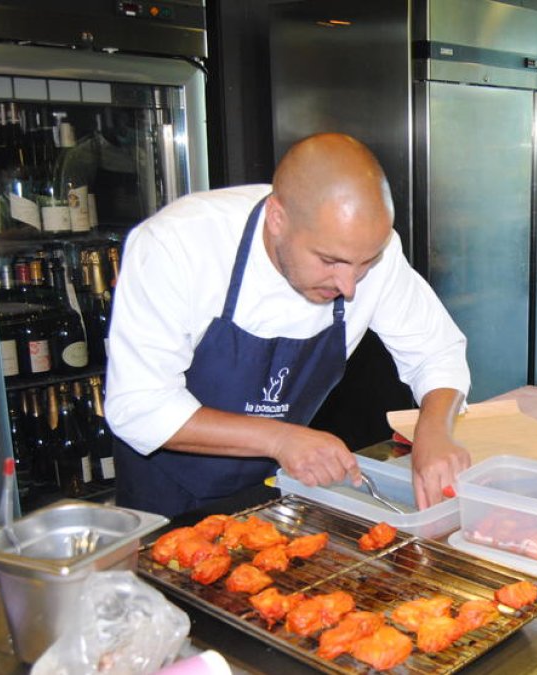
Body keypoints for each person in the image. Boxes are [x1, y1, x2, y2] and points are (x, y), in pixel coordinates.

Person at [104, 133, 471, 518]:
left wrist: (433, 432)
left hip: (274, 485)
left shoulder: (371, 251)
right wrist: (280, 439)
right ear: (277, 218)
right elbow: (139, 404)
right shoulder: (177, 244)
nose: (349, 286)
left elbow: (436, 351)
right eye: (329, 261)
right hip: (164, 493)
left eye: (364, 265)